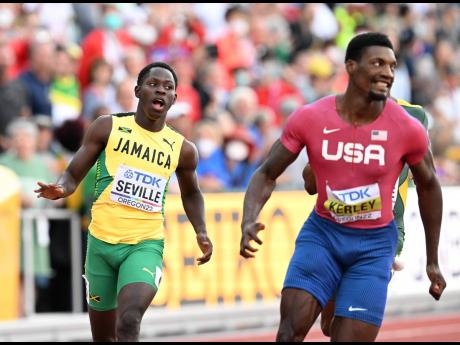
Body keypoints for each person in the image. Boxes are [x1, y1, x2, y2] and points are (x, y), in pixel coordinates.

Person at [239, 32, 446, 342]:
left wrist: (432, 260)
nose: (387, 72)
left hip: (374, 246)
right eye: (377, 63)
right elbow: (266, 173)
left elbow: (430, 188)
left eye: (392, 66)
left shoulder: (407, 127)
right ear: (350, 67)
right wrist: (248, 218)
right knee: (288, 333)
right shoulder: (312, 117)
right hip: (322, 235)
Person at [35, 61, 213, 341]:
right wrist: (61, 188)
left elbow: (192, 193)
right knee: (104, 337)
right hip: (100, 244)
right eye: (153, 84)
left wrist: (201, 231)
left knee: (129, 320)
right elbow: (72, 173)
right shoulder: (108, 127)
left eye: (168, 88)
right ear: (138, 90)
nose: (161, 91)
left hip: (144, 244)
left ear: (174, 99)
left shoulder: (182, 149)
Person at [302, 98, 432, 337]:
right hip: (338, 226)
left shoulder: (414, 114)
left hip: (385, 232)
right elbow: (311, 182)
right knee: (329, 326)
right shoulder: (339, 112)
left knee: (349, 325)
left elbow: (426, 176)